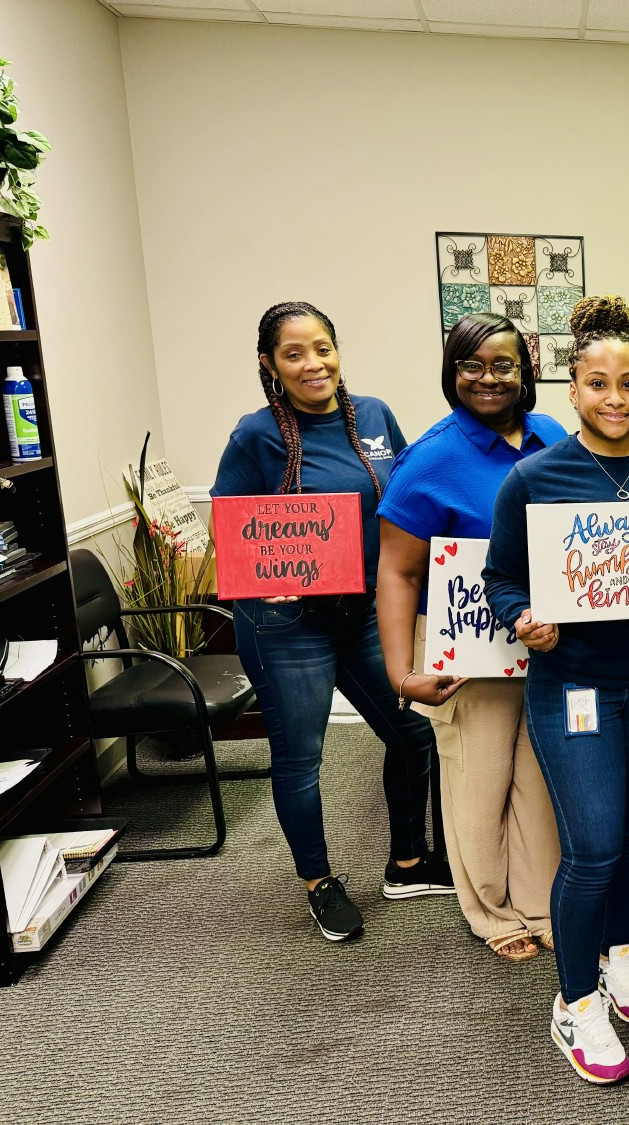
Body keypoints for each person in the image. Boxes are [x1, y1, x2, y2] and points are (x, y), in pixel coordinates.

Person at [483, 295, 629, 1086]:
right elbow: (501, 580)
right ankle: (575, 1000)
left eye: (628, 383)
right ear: (571, 390)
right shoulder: (532, 479)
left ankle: (619, 951)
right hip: (575, 687)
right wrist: (523, 619)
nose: (614, 398)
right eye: (597, 383)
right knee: (589, 847)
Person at [214, 301, 451, 944]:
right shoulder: (254, 436)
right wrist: (276, 578)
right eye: (294, 354)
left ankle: (407, 862)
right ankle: (319, 883)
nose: (313, 363)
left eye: (323, 348)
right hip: (284, 626)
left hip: (363, 616)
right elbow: (232, 537)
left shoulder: (374, 417)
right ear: (270, 365)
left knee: (413, 734)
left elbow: (406, 500)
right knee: (301, 758)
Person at [376, 313, 567, 962]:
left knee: (540, 781)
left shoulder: (552, 437)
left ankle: (540, 902)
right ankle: (490, 912)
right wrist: (402, 673)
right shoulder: (428, 460)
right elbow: (398, 573)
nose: (488, 378)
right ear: (451, 371)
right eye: (471, 364)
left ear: (526, 370)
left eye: (503, 364)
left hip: (544, 642)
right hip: (467, 649)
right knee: (478, 783)